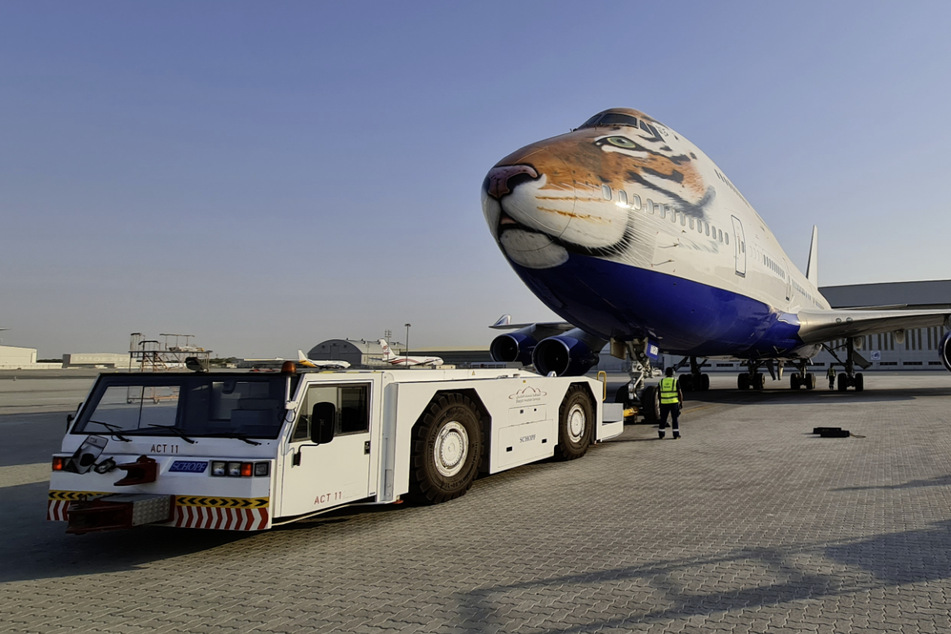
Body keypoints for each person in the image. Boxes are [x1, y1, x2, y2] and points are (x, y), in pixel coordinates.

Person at [658, 367, 683, 439]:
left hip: (664, 403)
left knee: (663, 419)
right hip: (674, 403)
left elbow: (659, 393)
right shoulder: (675, 381)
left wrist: (660, 402)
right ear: (673, 373)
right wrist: (681, 403)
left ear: (665, 373)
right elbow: (680, 393)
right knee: (675, 419)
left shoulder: (661, 381)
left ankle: (661, 434)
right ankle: (676, 435)